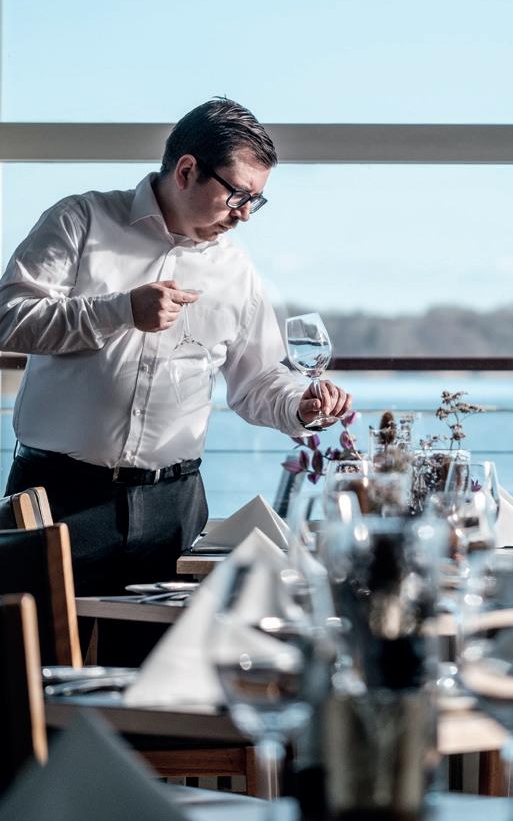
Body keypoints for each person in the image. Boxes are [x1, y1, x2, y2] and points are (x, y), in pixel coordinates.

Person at [0, 97, 351, 598]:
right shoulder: (82, 220)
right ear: (187, 171)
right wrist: (121, 311)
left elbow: (258, 381)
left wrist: (301, 405)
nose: (245, 215)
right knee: (37, 644)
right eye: (238, 195)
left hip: (173, 508)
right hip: (56, 497)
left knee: (166, 649)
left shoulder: (236, 271)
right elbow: (9, 319)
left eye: (256, 200)